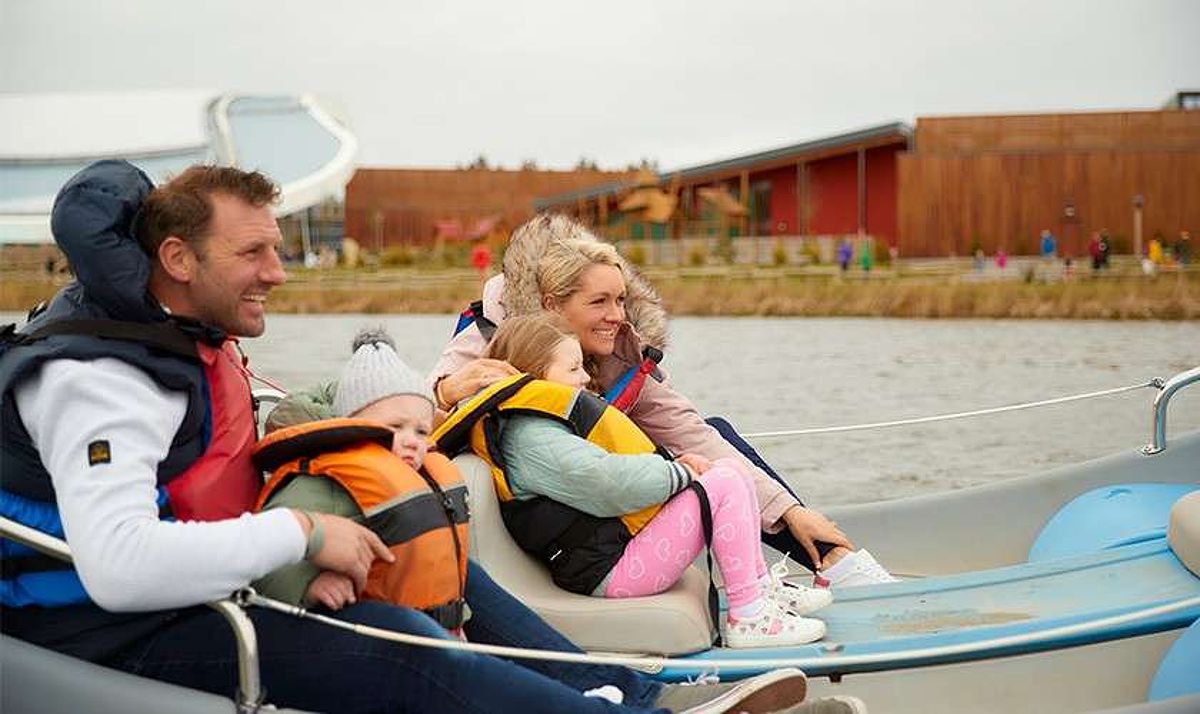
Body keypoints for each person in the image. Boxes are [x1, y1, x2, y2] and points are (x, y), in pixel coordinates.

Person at [0, 161, 831, 714]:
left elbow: (227, 466)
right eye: (253, 251)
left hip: (205, 576)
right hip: (118, 624)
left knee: (432, 540)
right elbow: (117, 567)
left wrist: (343, 497)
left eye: (277, 248)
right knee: (415, 648)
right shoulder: (98, 380)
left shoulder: (178, 335)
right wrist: (303, 535)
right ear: (177, 258)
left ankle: (627, 697)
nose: (278, 272)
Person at [430, 215, 896, 588]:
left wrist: (791, 510)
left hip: (599, 499)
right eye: (600, 303)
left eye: (620, 300)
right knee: (699, 468)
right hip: (562, 518)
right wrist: (446, 392)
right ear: (552, 303)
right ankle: (764, 587)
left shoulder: (619, 356)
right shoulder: (489, 339)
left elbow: (693, 431)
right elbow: (416, 417)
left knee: (715, 436)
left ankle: (825, 558)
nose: (616, 316)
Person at [450, 312, 832, 648]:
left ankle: (758, 590)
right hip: (605, 572)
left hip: (608, 554)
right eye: (572, 370)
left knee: (729, 472)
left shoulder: (536, 422)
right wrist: (680, 473)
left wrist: (682, 467)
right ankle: (748, 616)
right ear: (532, 374)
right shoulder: (530, 437)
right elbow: (606, 485)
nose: (585, 377)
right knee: (723, 484)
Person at [252, 327, 470, 635]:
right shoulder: (321, 483)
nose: (411, 441)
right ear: (353, 427)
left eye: (421, 431)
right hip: (374, 634)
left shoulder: (421, 479)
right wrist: (309, 585)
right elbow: (267, 552)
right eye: (394, 427)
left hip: (439, 630)